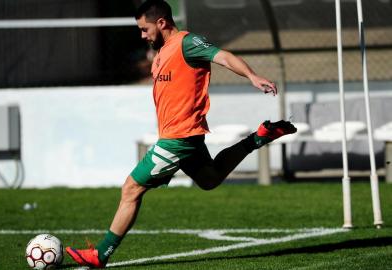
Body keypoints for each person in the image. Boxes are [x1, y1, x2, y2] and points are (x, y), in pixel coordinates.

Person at [66, 0, 296, 267]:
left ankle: (100, 254)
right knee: (209, 179)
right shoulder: (162, 52)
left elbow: (223, 56)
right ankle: (258, 138)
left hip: (178, 138)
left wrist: (252, 76)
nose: (142, 35)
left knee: (131, 188)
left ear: (161, 23)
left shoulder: (187, 42)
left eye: (144, 29)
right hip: (183, 135)